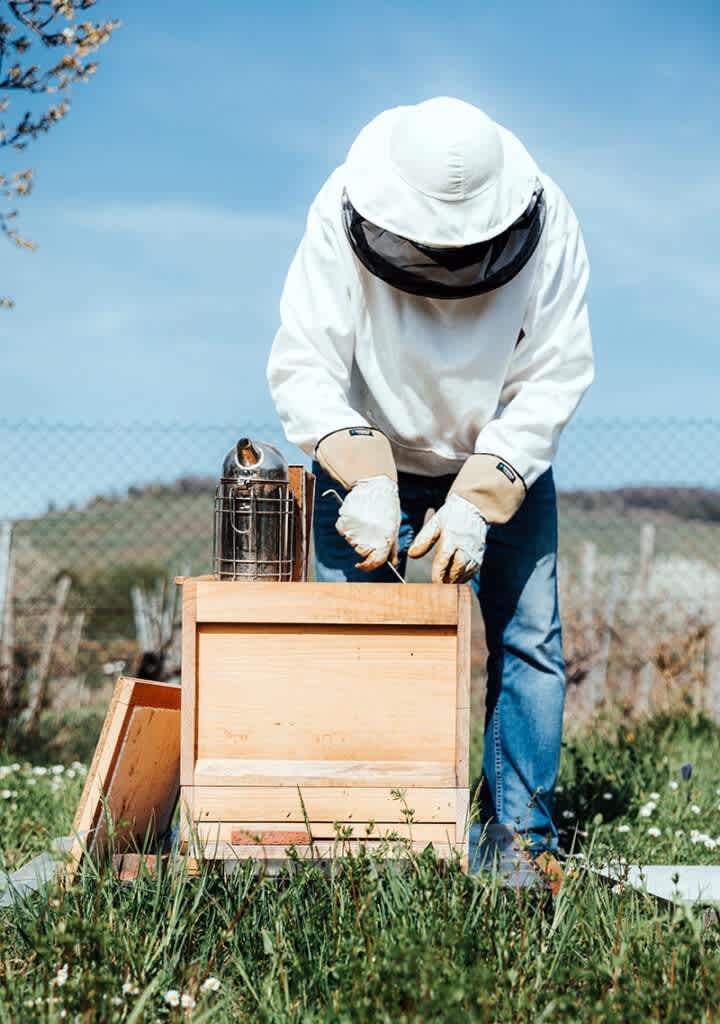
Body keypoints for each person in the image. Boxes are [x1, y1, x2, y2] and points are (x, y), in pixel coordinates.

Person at [267, 97, 593, 890]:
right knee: (352, 640)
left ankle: (521, 841)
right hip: (370, 452)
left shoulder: (551, 224)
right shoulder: (337, 207)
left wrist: (482, 495)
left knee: (529, 641)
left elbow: (554, 374)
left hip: (496, 457)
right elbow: (304, 360)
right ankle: (363, 833)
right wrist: (364, 474)